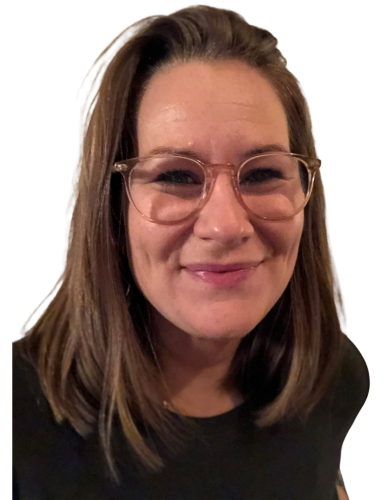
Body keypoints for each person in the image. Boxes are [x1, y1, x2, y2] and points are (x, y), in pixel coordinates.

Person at [12, 4, 370, 499]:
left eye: (263, 174)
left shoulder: (333, 375)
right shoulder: (16, 422)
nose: (225, 226)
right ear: (110, 208)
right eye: (176, 176)